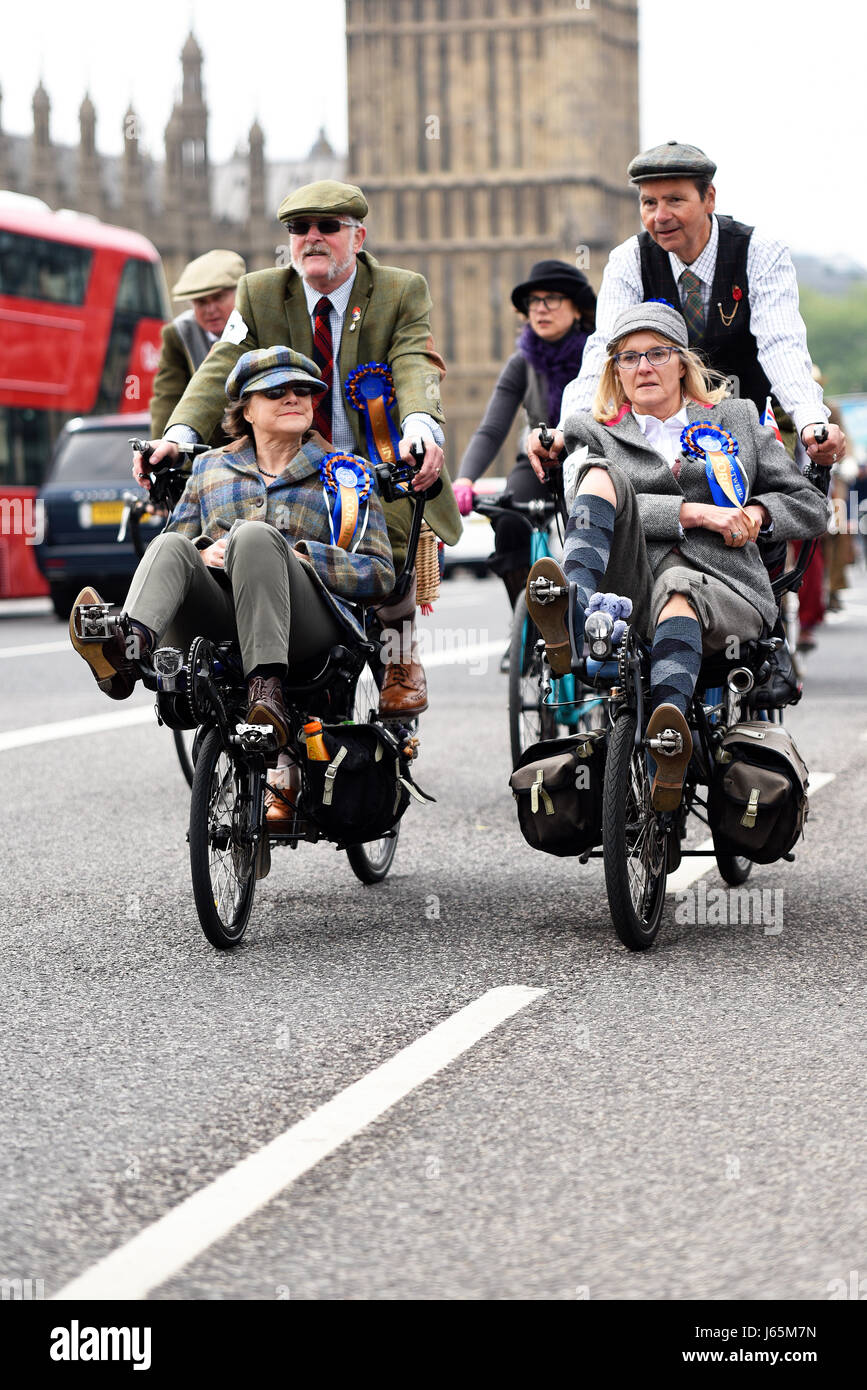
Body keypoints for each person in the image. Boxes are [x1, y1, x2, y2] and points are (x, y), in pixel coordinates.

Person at [136, 180, 461, 718]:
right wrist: (179, 437)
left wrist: (421, 424)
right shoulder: (261, 292)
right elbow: (221, 365)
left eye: (327, 228)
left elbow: (414, 361)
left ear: (358, 237)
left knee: (393, 541)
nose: (311, 238)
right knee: (208, 540)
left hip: (372, 467)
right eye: (298, 229)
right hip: (282, 463)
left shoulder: (401, 290)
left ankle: (398, 655)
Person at [526, 303, 828, 810]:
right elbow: (583, 494)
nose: (643, 367)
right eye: (627, 358)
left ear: (682, 363)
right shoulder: (594, 430)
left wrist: (757, 512)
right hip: (630, 594)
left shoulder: (736, 418)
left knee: (680, 590)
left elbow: (811, 507)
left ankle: (667, 738)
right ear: (615, 372)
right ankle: (572, 613)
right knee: (597, 477)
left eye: (657, 353)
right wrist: (694, 513)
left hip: (725, 588)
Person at [70, 346, 395, 764]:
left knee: (256, 538)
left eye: (303, 390)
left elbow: (381, 574)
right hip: (222, 618)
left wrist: (299, 558)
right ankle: (126, 651)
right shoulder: (209, 468)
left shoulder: (347, 471)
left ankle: (267, 690)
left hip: (307, 629)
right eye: (276, 391)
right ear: (246, 410)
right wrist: (204, 554)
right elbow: (178, 550)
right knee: (170, 545)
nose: (293, 398)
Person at [527, 140, 845, 475]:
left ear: (709, 198)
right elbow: (604, 350)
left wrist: (811, 421)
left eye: (674, 200)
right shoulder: (628, 261)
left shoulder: (761, 253)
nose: (660, 217)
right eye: (649, 203)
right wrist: (565, 428)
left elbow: (781, 346)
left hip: (757, 429)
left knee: (782, 510)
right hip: (661, 433)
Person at [452, 260, 596, 614]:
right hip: (537, 462)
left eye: (551, 299)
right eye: (533, 302)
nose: (540, 309)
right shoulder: (522, 363)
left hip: (592, 459)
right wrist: (465, 479)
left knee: (595, 529)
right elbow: (492, 427)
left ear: (578, 307)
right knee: (510, 521)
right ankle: (529, 622)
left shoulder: (599, 356)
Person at [149, 249, 246, 441]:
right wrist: (162, 453)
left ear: (241, 293)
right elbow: (167, 400)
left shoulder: (260, 324)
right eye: (201, 302)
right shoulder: (178, 335)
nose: (210, 310)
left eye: (218, 298)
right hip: (206, 451)